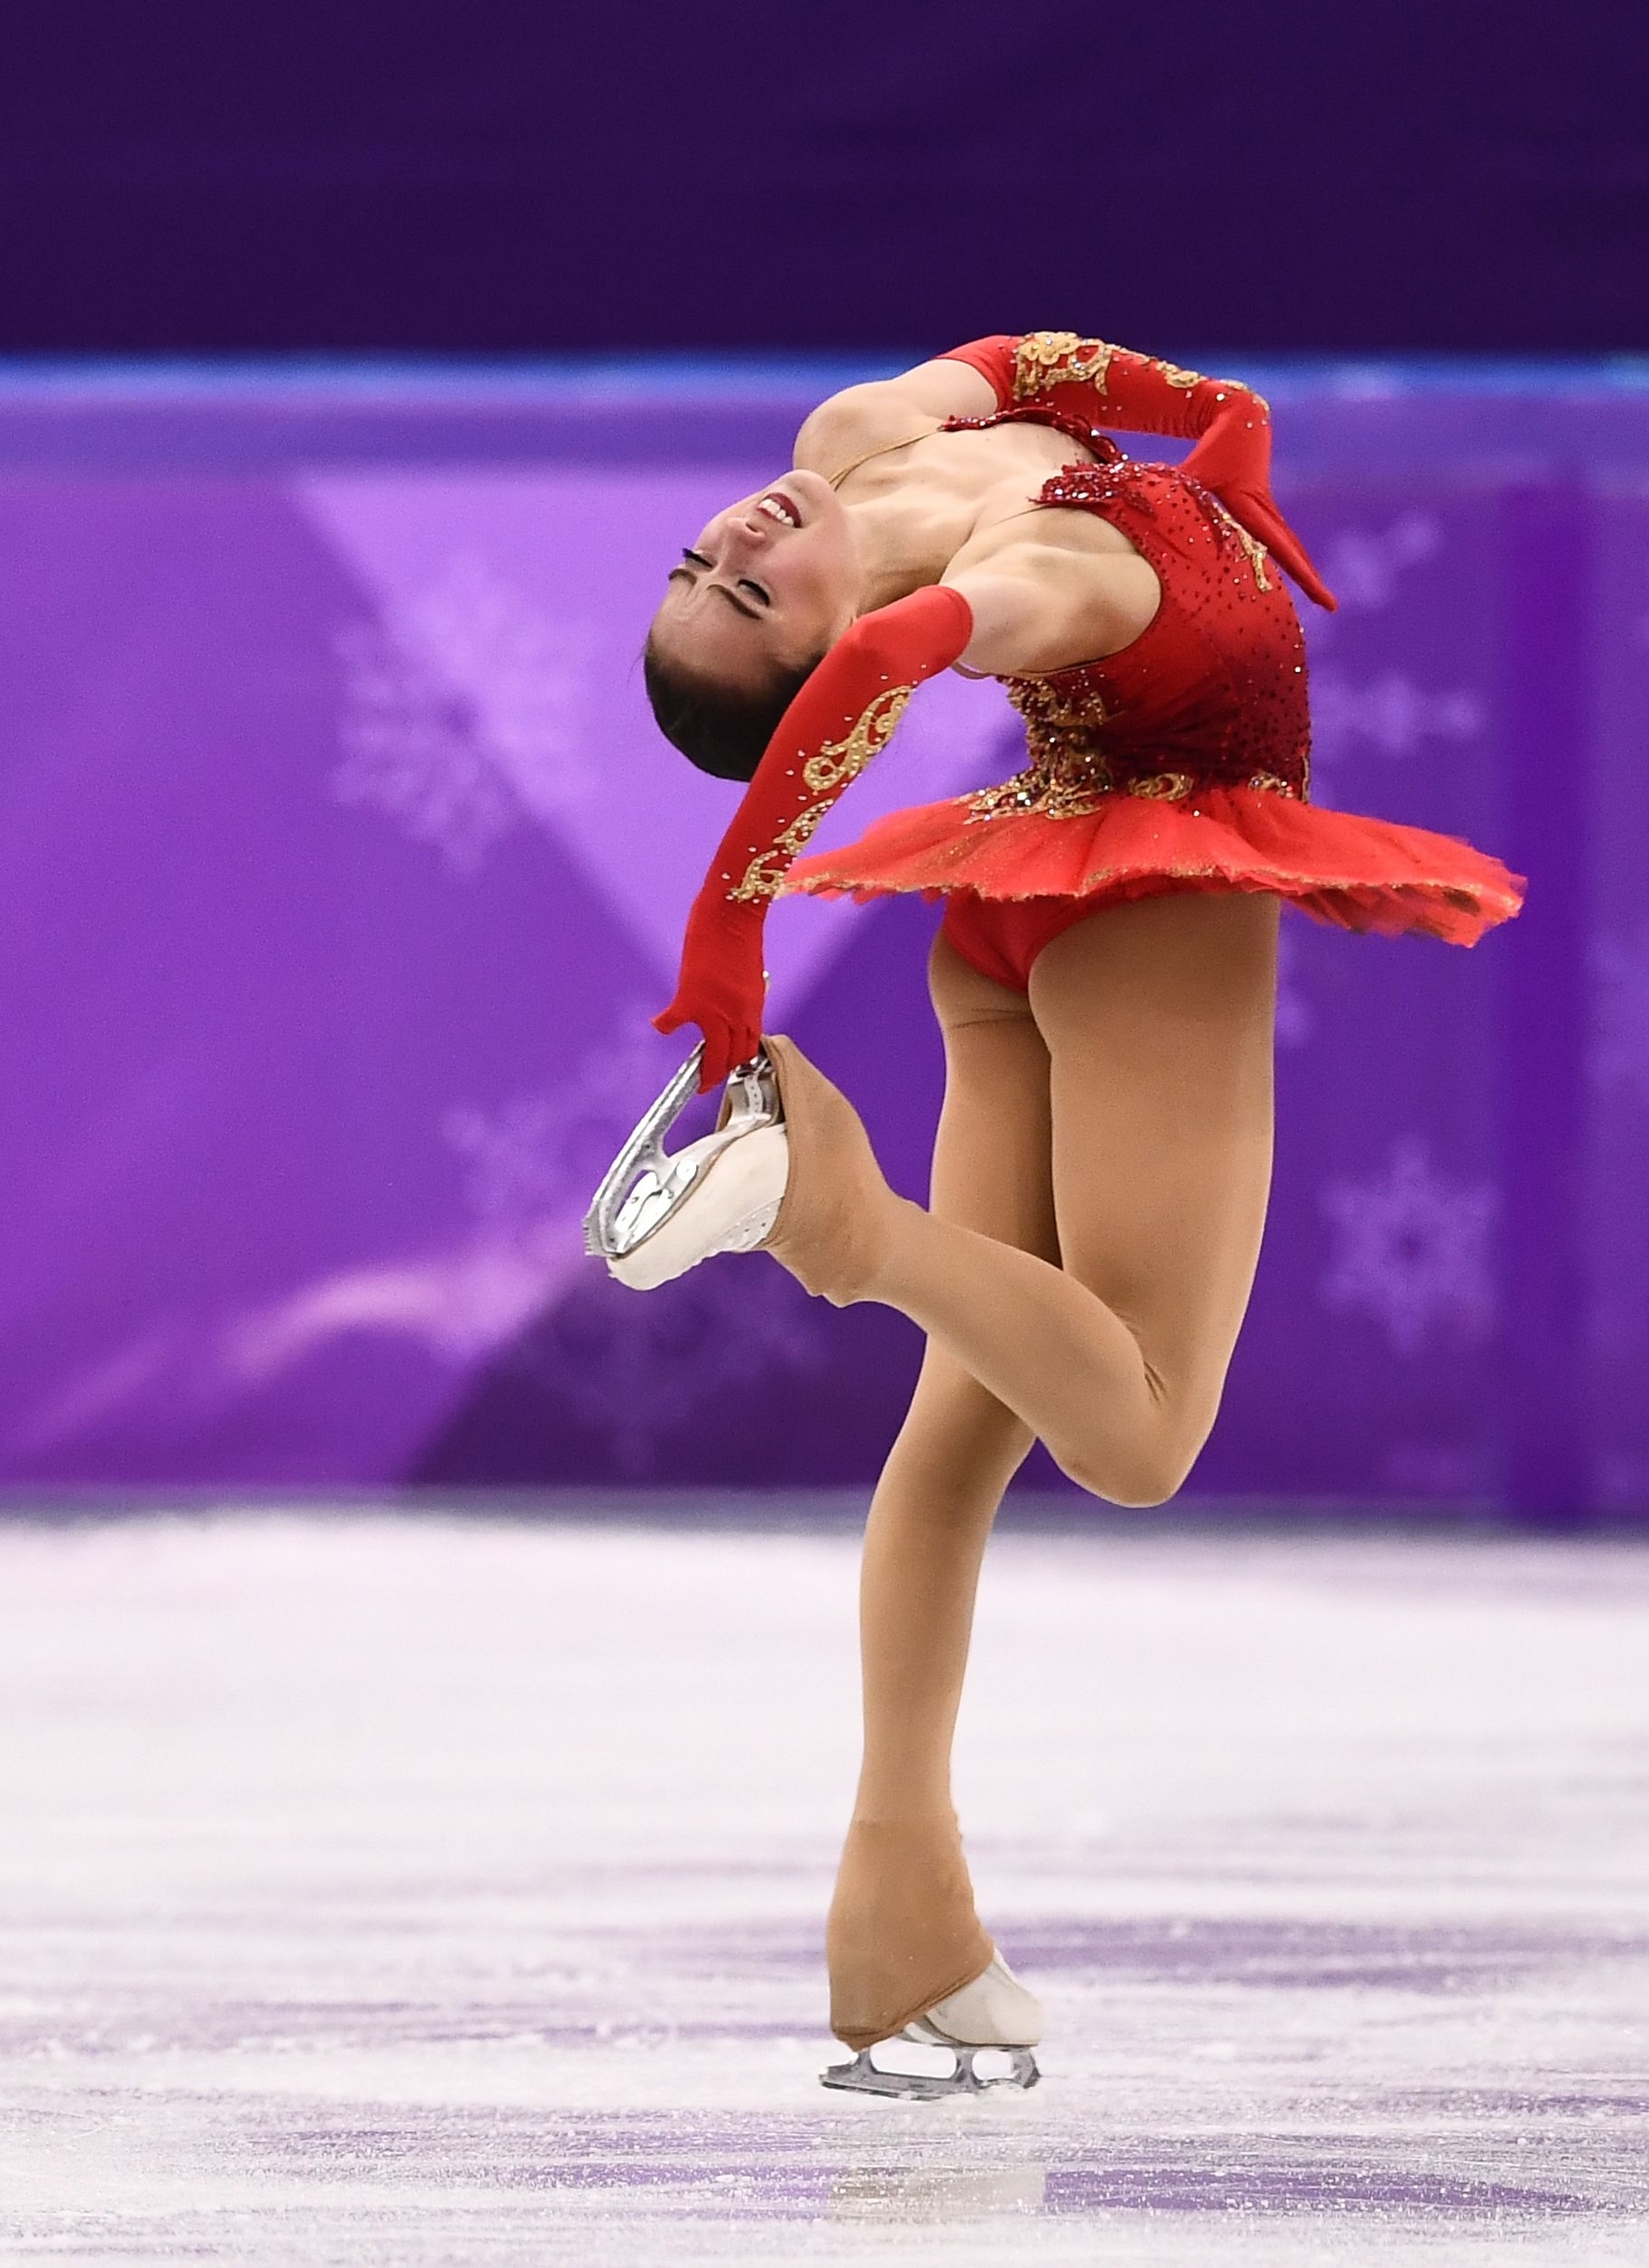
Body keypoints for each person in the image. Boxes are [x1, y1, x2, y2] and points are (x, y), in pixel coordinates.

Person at [631, 333, 1521, 2095]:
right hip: (1144, 912)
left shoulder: (853, 440)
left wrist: (1201, 411)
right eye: (750, 590)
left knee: (957, 1432)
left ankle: (902, 1920)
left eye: (701, 559)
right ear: (822, 675)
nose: (735, 537)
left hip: (1019, 903)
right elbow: (899, 648)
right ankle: (847, 1218)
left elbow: (1004, 357)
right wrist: (724, 928)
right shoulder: (1022, 581)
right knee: (1132, 1430)